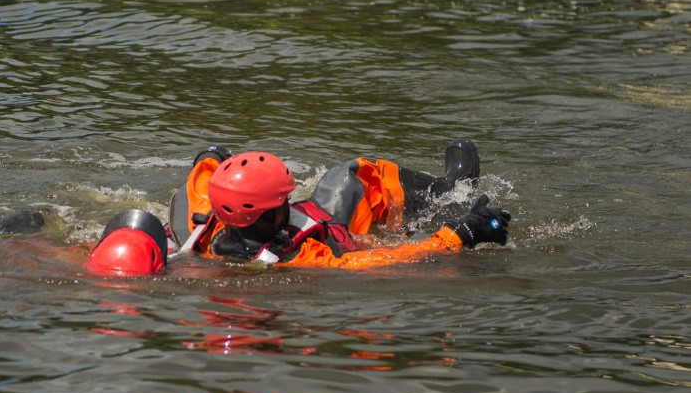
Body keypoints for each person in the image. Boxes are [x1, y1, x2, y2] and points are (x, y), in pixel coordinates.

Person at [83, 139, 511, 276]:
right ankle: (452, 188)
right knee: (349, 175)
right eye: (284, 199)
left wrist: (212, 161)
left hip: (229, 213)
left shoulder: (207, 232)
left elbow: (200, 191)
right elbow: (388, 258)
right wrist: (462, 233)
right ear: (270, 212)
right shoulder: (305, 256)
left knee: (206, 172)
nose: (289, 201)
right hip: (338, 231)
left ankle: (218, 159)